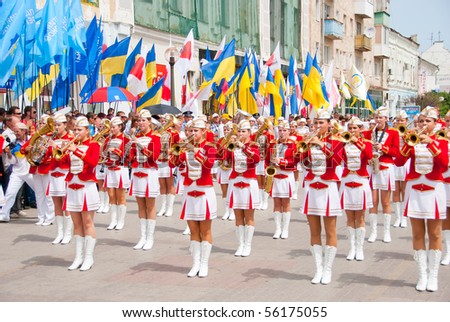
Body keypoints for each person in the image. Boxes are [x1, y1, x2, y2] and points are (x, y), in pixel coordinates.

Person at [394, 107, 448, 292]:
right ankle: (422, 274)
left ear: (435, 123)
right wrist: (408, 144)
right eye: (421, 121)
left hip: (434, 189)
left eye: (428, 121)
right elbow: (399, 162)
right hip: (415, 188)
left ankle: (433, 276)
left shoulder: (442, 140)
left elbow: (443, 164)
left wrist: (430, 143)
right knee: (417, 234)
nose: (424, 125)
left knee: (434, 234)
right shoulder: (412, 138)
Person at [298, 109, 343, 284]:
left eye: (321, 123)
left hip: (328, 185)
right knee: (314, 230)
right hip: (311, 185)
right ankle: (318, 269)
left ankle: (328, 269)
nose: (317, 126)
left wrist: (322, 145)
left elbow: (337, 161)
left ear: (328, 124)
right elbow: (303, 163)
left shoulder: (336, 141)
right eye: (316, 123)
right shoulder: (309, 140)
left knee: (330, 230)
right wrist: (304, 148)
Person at [169, 118, 217, 277]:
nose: (192, 133)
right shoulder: (185, 146)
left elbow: (208, 165)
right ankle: (195, 263)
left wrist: (195, 151)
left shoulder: (210, 146)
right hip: (189, 189)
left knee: (205, 229)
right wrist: (175, 153)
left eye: (196, 131)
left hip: (204, 189)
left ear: (203, 132)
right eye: (191, 130)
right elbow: (173, 164)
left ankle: (204, 264)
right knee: (193, 229)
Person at [63, 116, 100, 271]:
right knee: (76, 224)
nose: (76, 132)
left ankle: (89, 257)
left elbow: (93, 162)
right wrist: (60, 152)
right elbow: (63, 164)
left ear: (87, 131)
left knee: (87, 223)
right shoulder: (72, 145)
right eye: (75, 129)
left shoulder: (94, 144)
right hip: (72, 185)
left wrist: (75, 151)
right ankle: (78, 256)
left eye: (80, 130)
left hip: (87, 186)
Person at [363, 106, 399, 243]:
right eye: (376, 117)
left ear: (386, 119)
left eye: (381, 117)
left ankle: (386, 232)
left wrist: (382, 148)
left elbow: (396, 152)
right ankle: (373, 232)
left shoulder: (393, 133)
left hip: (386, 167)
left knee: (385, 202)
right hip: (372, 168)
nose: (378, 120)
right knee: (373, 201)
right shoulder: (368, 133)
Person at [340, 117, 373, 261]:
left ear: (361, 129)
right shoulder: (344, 142)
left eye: (355, 128)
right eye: (350, 128)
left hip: (361, 178)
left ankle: (359, 248)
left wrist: (358, 143)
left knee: (360, 216)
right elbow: (337, 158)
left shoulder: (366, 143)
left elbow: (369, 156)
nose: (352, 131)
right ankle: (351, 247)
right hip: (347, 178)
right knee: (349, 216)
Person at [128, 109, 161, 250]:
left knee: (150, 205)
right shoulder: (136, 136)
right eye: (139, 120)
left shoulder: (155, 137)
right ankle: (142, 236)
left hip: (149, 171)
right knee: (140, 205)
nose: (140, 123)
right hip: (137, 171)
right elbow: (130, 157)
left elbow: (154, 157)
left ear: (149, 122)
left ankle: (150, 237)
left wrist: (139, 144)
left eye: (143, 120)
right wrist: (128, 148)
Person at [227, 119, 260, 257]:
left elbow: (256, 159)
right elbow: (226, 160)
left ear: (249, 132)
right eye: (239, 131)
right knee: (238, 214)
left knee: (249, 215)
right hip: (235, 179)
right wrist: (228, 144)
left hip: (248, 180)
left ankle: (248, 245)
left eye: (243, 131)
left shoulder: (254, 144)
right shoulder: (233, 145)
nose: (241, 133)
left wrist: (243, 147)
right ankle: (240, 244)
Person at [21, 114, 55, 226]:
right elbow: (23, 148)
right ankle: (41, 216)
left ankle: (50, 217)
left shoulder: (51, 137)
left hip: (45, 167)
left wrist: (46, 149)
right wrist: (27, 149)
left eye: (43, 123)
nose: (41, 125)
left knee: (48, 194)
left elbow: (53, 152)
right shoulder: (35, 136)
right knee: (39, 194)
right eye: (40, 123)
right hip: (35, 167)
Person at [266, 120, 296, 239]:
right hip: (275, 174)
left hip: (286, 175)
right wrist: (268, 168)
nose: (282, 133)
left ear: (289, 131)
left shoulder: (293, 144)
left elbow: (294, 161)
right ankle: (278, 228)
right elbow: (268, 158)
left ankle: (285, 229)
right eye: (281, 130)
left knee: (286, 202)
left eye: (285, 130)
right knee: (276, 202)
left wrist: (281, 161)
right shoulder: (273, 143)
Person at [47, 113, 73, 244]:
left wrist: (56, 147)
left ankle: (68, 233)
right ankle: (59, 232)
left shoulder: (70, 138)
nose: (56, 127)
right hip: (53, 171)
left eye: (59, 125)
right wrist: (46, 148)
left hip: (64, 171)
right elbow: (48, 157)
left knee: (65, 203)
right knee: (56, 203)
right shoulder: (52, 138)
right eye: (55, 125)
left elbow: (67, 158)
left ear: (65, 125)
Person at [0, 123, 35, 223]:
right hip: (17, 172)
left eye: (17, 131)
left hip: (30, 172)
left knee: (40, 193)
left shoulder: (32, 140)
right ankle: (4, 215)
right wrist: (9, 154)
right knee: (10, 193)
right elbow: (14, 161)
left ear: (24, 131)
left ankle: (48, 215)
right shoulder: (13, 143)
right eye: (15, 132)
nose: (16, 134)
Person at [103, 117, 130, 230]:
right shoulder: (108, 139)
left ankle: (121, 221)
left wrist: (115, 150)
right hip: (110, 168)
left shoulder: (126, 139)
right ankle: (113, 220)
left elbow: (127, 154)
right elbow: (103, 152)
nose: (112, 129)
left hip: (120, 168)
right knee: (111, 196)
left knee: (121, 196)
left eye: (114, 127)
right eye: (111, 127)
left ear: (120, 127)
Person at [156, 114, 180, 218]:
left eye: (165, 120)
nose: (163, 122)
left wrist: (169, 151)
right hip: (159, 159)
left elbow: (178, 147)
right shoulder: (157, 132)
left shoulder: (174, 133)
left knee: (170, 184)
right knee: (162, 184)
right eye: (162, 120)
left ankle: (169, 207)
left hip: (169, 160)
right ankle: (163, 207)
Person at [392, 110, 409, 228]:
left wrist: (405, 136)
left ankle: (404, 217)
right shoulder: (392, 132)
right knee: (395, 190)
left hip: (405, 162)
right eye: (397, 120)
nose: (399, 122)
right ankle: (397, 217)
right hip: (394, 161)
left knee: (404, 190)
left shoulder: (410, 132)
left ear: (406, 121)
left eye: (402, 120)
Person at [216, 122, 235, 221]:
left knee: (231, 190)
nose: (226, 132)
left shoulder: (235, 140)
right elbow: (217, 153)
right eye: (225, 130)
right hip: (223, 167)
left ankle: (232, 211)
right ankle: (226, 210)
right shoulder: (220, 140)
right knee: (224, 191)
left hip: (231, 167)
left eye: (228, 130)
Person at [441, 110, 450, 265]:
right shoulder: (441, 139)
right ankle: (448, 251)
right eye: (447, 121)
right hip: (445, 180)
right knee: (447, 215)